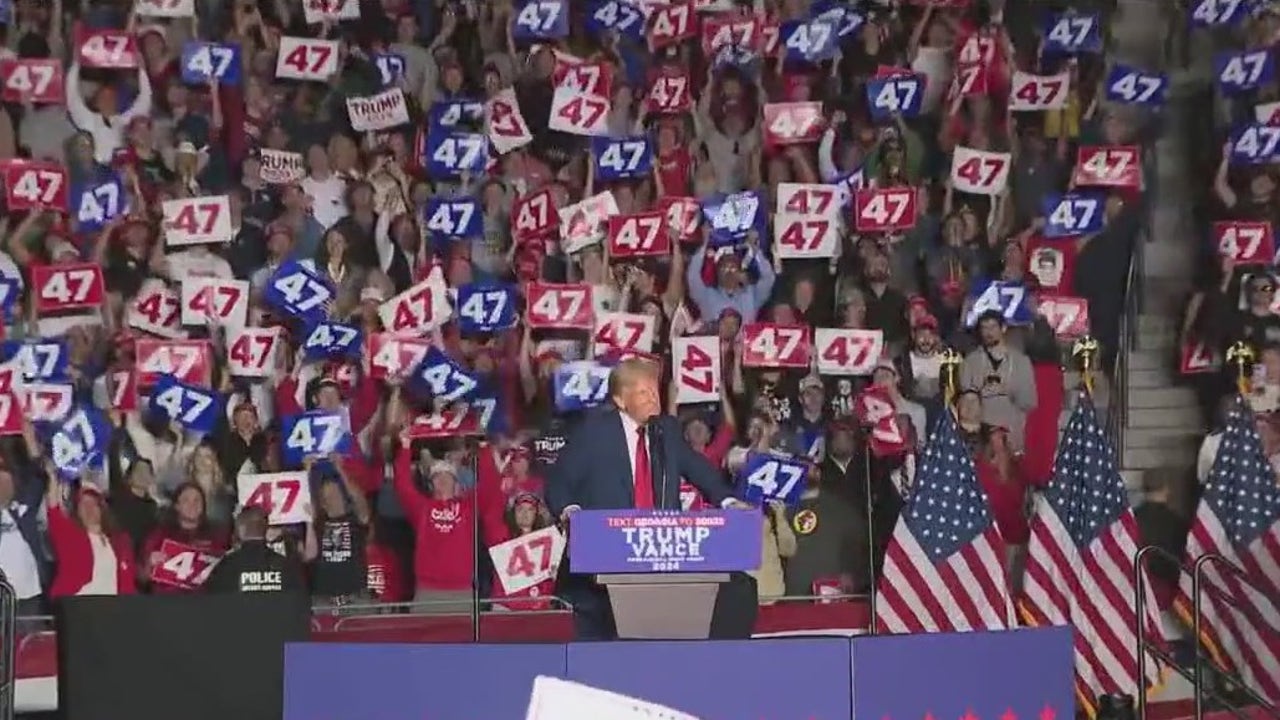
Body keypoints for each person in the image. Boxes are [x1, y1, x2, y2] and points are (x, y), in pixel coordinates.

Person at [547, 357, 747, 639]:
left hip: (662, 563)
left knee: (740, 588)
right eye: (643, 392)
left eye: (654, 391)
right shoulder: (593, 432)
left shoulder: (667, 430)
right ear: (620, 399)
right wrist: (570, 512)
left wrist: (728, 501)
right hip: (605, 566)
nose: (653, 399)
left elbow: (698, 469)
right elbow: (559, 481)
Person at [203, 507, 305, 594]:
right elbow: (300, 602)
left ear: (241, 530)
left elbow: (212, 603)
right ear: (265, 529)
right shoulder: (286, 567)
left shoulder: (226, 567)